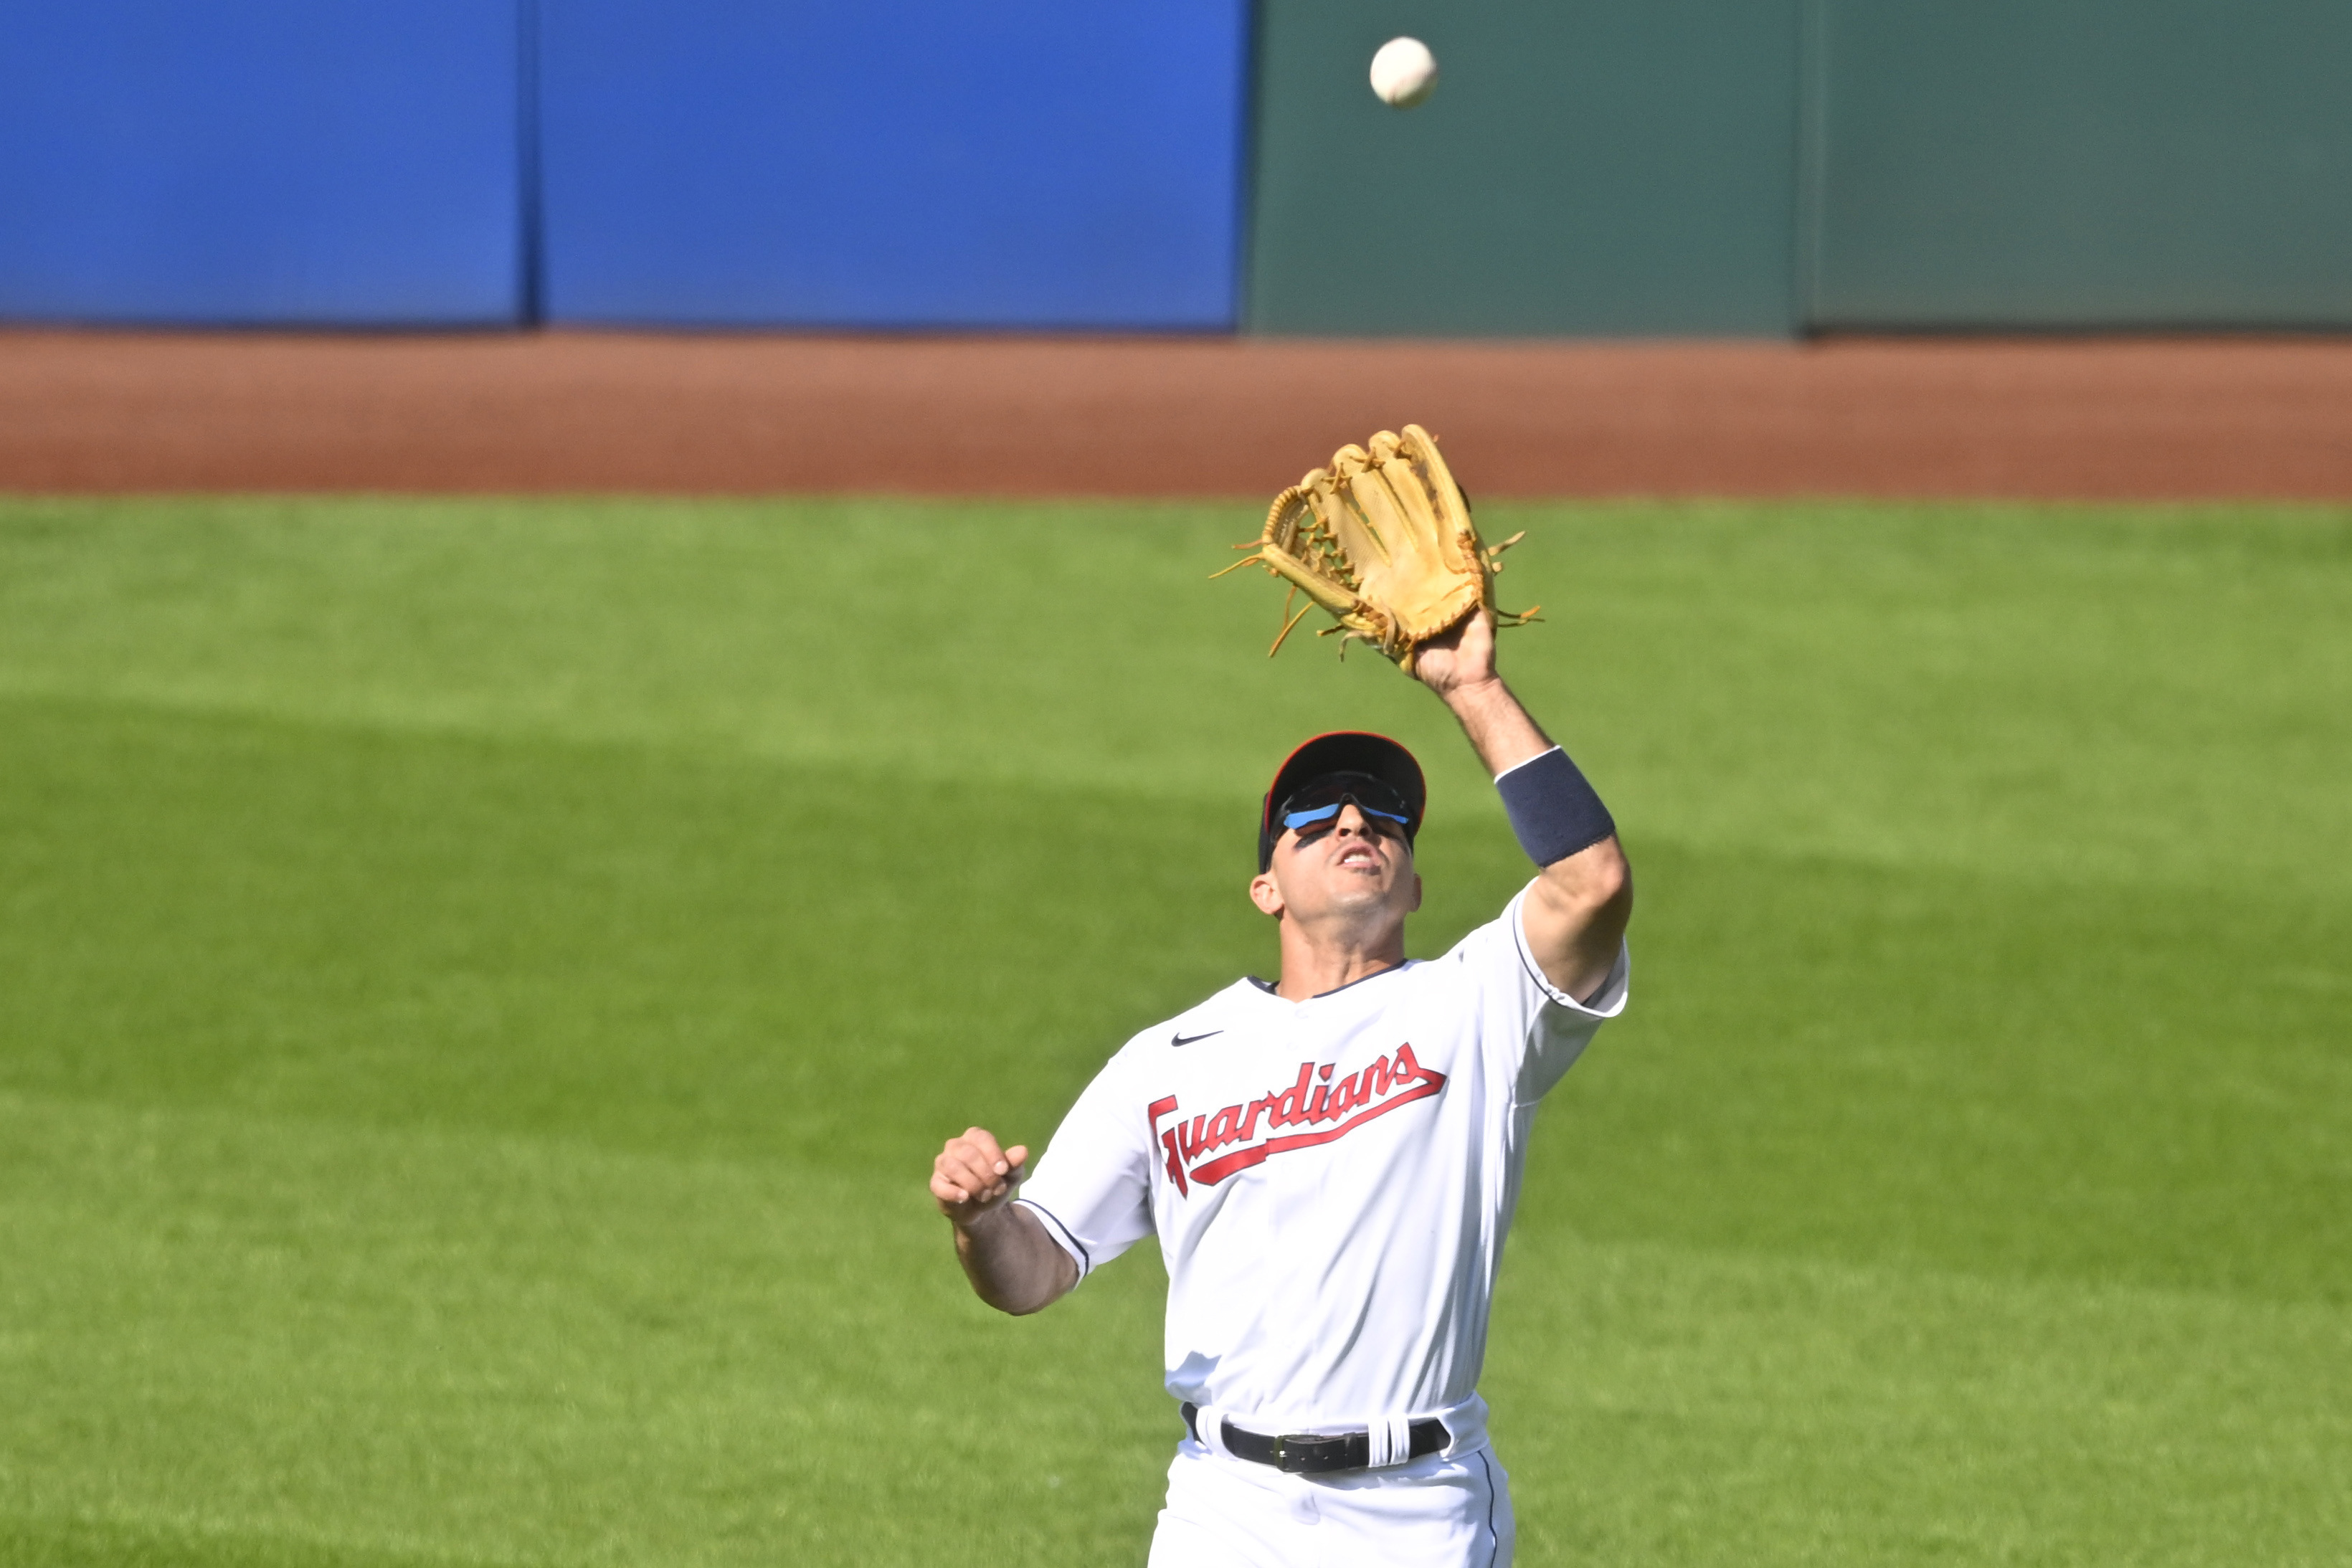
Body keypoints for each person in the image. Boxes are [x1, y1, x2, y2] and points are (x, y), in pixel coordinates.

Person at [928, 608, 1633, 1567]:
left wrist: (1472, 690)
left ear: (1416, 885)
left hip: (1420, 1511)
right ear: (1266, 886)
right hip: (1227, 1512)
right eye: (1315, 815)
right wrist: (981, 1222)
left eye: (1386, 818)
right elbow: (1035, 1271)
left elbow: (1590, 882)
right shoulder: (1167, 1062)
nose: (1355, 821)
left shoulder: (1479, 1010)